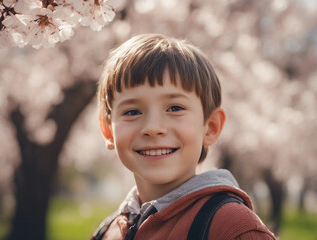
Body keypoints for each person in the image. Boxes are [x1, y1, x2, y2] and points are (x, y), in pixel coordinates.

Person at [92, 33, 276, 240]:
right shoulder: (107, 232)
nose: (153, 128)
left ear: (210, 127)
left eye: (175, 108)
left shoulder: (232, 228)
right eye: (132, 112)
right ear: (108, 130)